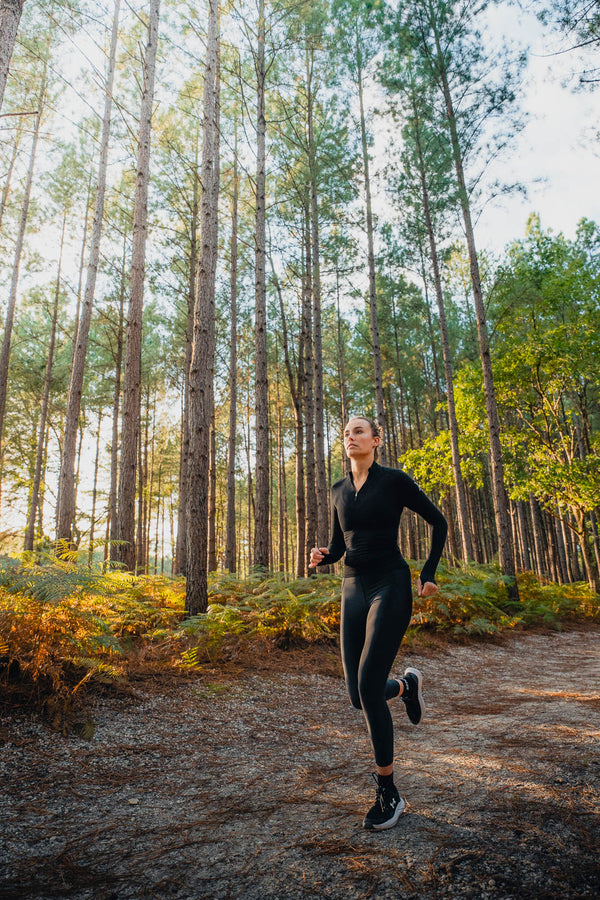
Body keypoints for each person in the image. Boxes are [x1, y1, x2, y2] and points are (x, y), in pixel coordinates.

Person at [310, 415, 447, 831]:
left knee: (369, 686)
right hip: (352, 589)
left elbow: (438, 522)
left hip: (390, 585)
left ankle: (389, 792)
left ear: (376, 440)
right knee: (357, 696)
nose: (350, 437)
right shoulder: (338, 490)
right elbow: (340, 545)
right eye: (346, 433)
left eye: (358, 431)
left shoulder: (395, 481)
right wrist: (324, 557)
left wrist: (429, 574)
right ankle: (406, 686)